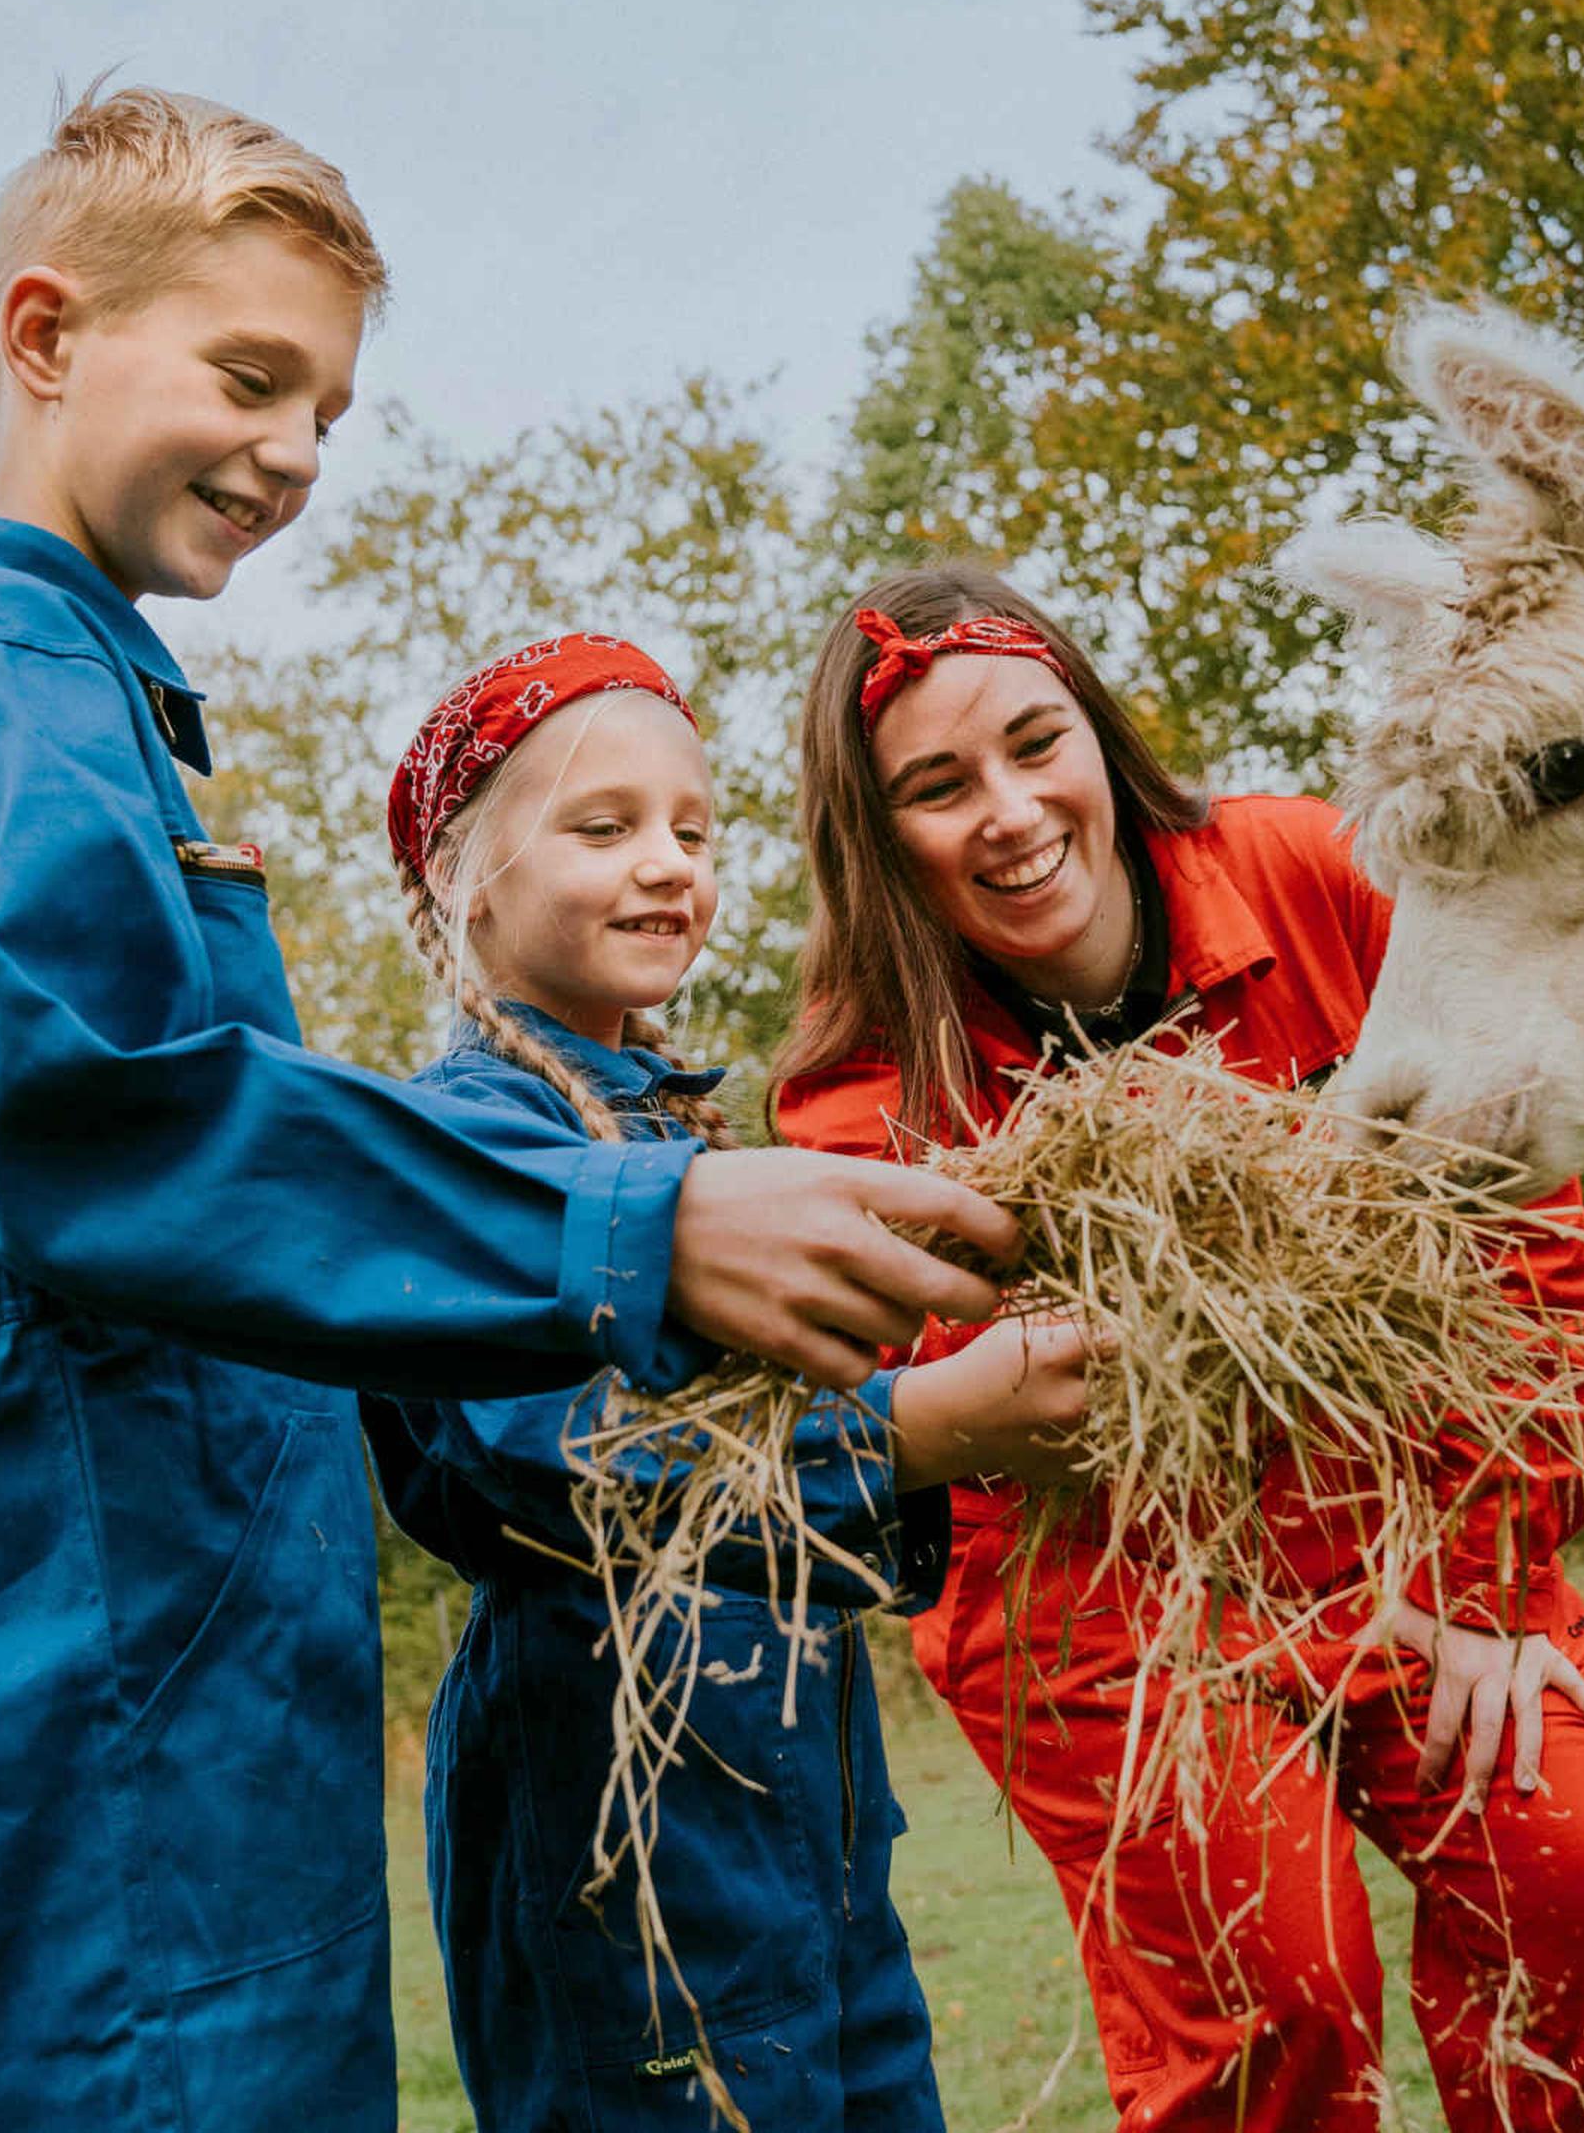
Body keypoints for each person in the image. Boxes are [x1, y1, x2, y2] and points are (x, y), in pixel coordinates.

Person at [0, 89, 1010, 2133]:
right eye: (250, 377)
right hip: (71, 1659)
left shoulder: (88, 693)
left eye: (329, 412)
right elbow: (107, 1121)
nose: (289, 454)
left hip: (196, 1668)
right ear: (44, 332)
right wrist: (647, 1234)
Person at [769, 564, 1584, 2133]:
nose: (1010, 812)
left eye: (1035, 743)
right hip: (1112, 1606)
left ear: (1094, 731)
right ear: (879, 838)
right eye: (938, 789)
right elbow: (907, 1418)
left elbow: (1533, 1242)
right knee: (1279, 1988)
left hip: (1422, 1538)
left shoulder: (1321, 874)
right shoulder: (863, 1089)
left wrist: (1480, 1583)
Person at [359, 631, 1092, 2129]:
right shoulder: (467, 1148)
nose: (669, 866)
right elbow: (559, 1461)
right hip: (609, 1814)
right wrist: (921, 1433)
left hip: (799, 1796)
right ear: (465, 876)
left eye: (696, 830)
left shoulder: (680, 1134)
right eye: (605, 827)